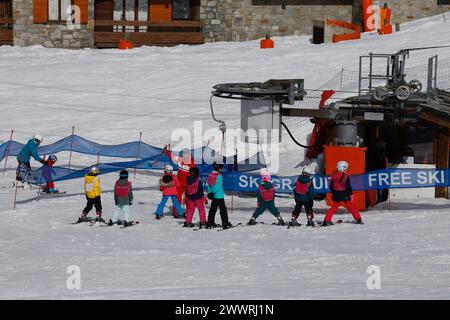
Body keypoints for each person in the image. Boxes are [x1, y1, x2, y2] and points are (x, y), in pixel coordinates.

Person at [322, 161, 363, 226]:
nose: (346, 170)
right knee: (350, 206)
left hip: (336, 194)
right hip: (344, 194)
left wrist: (334, 193)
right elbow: (348, 186)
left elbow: (331, 187)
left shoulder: (333, 176)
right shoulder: (346, 176)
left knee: (334, 207)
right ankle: (358, 219)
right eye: (346, 168)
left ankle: (326, 220)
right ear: (344, 168)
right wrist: (350, 194)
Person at [164, 146, 195, 217]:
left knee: (188, 199)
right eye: (184, 155)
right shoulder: (180, 160)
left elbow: (194, 173)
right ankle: (176, 212)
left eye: (187, 155)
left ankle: (188, 213)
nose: (185, 156)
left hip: (188, 184)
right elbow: (172, 156)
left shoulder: (192, 163)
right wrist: (166, 151)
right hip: (179, 183)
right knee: (177, 197)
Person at [207, 161, 232, 229]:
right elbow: (218, 186)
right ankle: (225, 222)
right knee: (223, 209)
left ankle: (210, 222)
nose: (221, 169)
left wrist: (210, 192)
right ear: (218, 168)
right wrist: (213, 192)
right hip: (219, 195)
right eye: (221, 167)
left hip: (213, 196)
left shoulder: (210, 175)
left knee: (212, 209)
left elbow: (209, 185)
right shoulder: (219, 176)